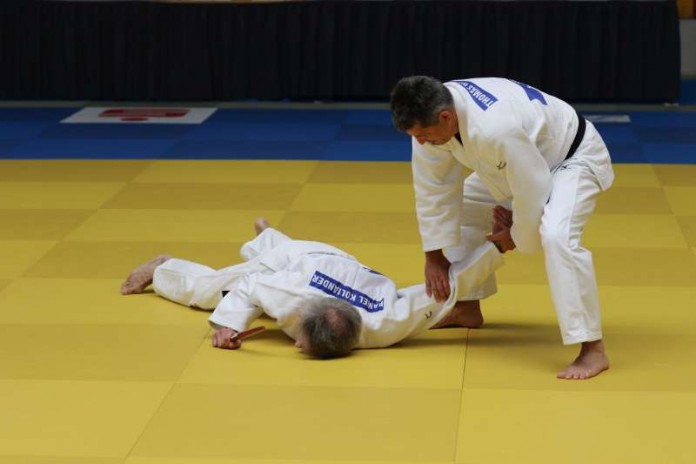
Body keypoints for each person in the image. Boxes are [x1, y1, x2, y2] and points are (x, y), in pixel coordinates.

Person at [390, 76, 614, 380]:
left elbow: (532, 187)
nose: (422, 142)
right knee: (465, 207)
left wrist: (515, 235)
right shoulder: (433, 116)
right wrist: (434, 255)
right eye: (415, 136)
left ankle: (592, 348)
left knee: (556, 236)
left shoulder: (493, 125)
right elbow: (433, 189)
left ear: (446, 117)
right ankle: (467, 306)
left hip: (569, 158)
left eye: (426, 135)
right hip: (517, 162)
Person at [121, 218, 507, 359]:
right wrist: (227, 327)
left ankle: (268, 237)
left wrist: (501, 244)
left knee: (272, 259)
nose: (295, 346)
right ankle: (163, 269)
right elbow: (253, 287)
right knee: (210, 293)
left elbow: (451, 286)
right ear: (300, 319)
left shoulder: (388, 322)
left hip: (328, 257)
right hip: (297, 262)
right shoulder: (291, 298)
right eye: (301, 344)